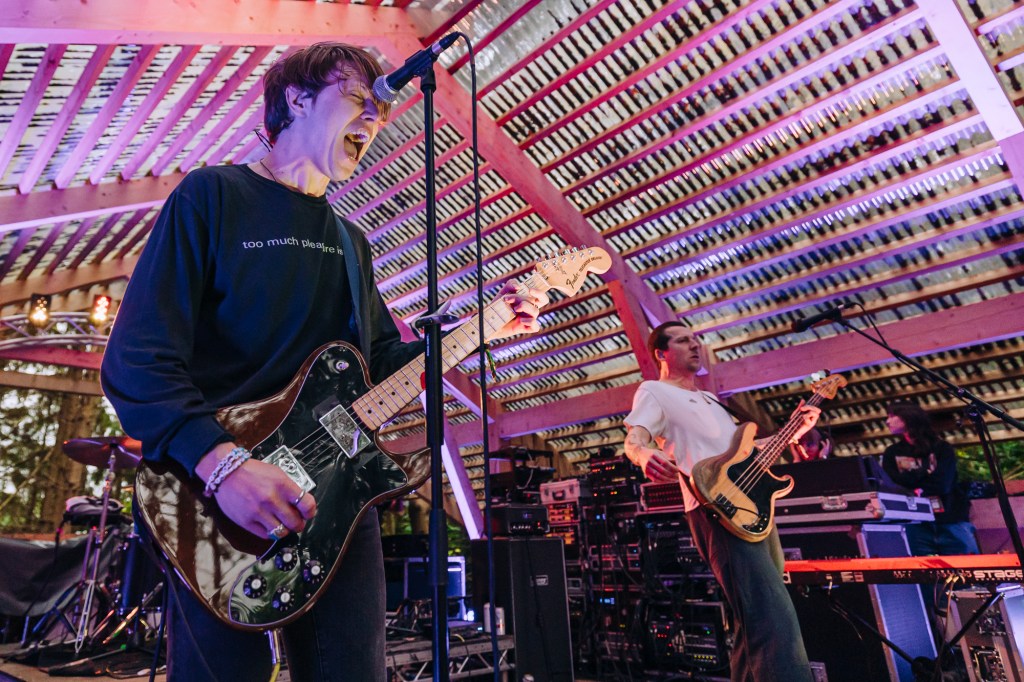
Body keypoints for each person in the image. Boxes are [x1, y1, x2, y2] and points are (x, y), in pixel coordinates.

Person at [100, 42, 546, 682]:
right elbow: (138, 359)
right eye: (361, 99)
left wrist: (484, 324)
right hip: (213, 493)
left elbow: (381, 364)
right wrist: (225, 465)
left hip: (337, 497)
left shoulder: (350, 241)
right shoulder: (213, 196)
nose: (377, 117)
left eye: (382, 110)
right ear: (297, 99)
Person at [623, 321, 820, 682]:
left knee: (755, 617)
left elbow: (746, 455)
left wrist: (794, 430)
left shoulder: (712, 401)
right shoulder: (654, 391)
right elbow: (636, 435)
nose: (695, 345)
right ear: (661, 353)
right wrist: (641, 454)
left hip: (754, 507)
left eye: (696, 339)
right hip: (716, 509)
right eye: (683, 341)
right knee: (774, 616)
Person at [882, 401, 979, 556]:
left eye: (893, 416)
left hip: (950, 520)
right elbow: (891, 484)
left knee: (966, 570)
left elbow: (942, 484)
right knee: (924, 573)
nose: (887, 421)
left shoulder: (941, 448)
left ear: (908, 417)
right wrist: (923, 478)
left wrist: (911, 484)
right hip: (915, 523)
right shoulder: (892, 452)